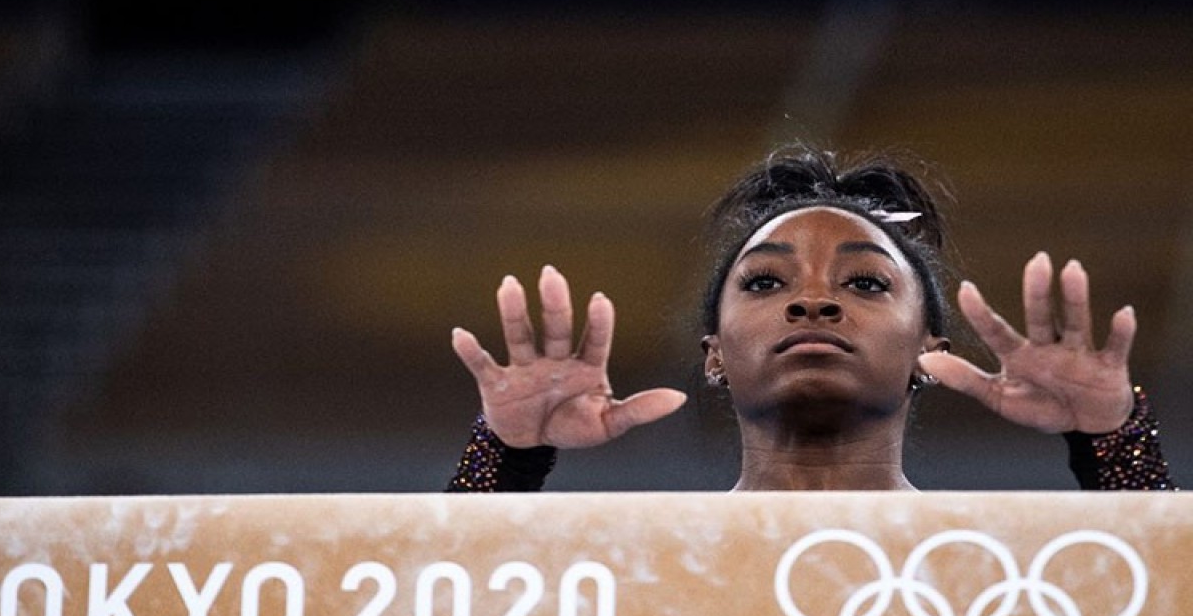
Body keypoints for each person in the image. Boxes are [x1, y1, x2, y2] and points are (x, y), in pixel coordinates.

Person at [445, 143, 1177, 492]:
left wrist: (1112, 444)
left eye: (865, 282)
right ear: (713, 354)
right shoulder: (632, 558)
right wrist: (507, 456)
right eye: (765, 283)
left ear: (930, 350)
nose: (813, 300)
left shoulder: (1002, 560)